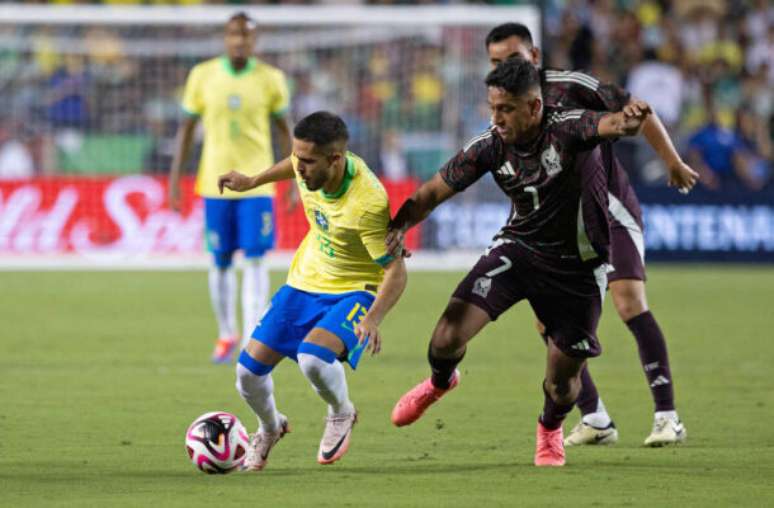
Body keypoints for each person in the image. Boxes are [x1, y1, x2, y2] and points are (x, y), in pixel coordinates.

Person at [388, 58, 651, 467]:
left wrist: (631, 120)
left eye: (506, 109)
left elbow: (613, 125)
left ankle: (550, 428)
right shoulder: (490, 144)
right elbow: (432, 193)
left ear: (533, 106)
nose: (497, 118)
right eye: (493, 108)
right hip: (519, 251)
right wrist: (399, 226)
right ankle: (441, 382)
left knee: (563, 384)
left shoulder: (567, 127)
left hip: (578, 270)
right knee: (444, 338)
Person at [484, 22, 697, 446]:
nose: (503, 68)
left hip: (608, 210)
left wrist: (671, 161)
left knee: (628, 300)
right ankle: (596, 418)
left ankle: (667, 417)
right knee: (547, 319)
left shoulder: (570, 86)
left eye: (512, 59)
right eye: (495, 62)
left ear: (535, 57)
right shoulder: (501, 103)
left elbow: (639, 108)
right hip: (558, 227)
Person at [218, 111, 407, 471]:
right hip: (305, 281)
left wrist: (373, 318)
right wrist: (252, 180)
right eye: (297, 157)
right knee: (246, 374)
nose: (299, 169)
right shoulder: (309, 165)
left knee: (313, 359)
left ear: (335, 160)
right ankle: (270, 427)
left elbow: (396, 270)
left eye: (307, 161)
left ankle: (341, 412)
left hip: (355, 288)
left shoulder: (367, 203)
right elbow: (291, 163)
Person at [168, 12, 292, 363]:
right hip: (214, 183)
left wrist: (294, 179)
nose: (240, 41)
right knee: (220, 260)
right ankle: (226, 333)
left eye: (247, 36)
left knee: (255, 259)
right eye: (234, 35)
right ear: (226, 38)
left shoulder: (271, 79)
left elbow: (285, 129)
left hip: (258, 184)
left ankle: (252, 335)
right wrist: (176, 178)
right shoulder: (202, 75)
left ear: (256, 41)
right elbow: (187, 129)